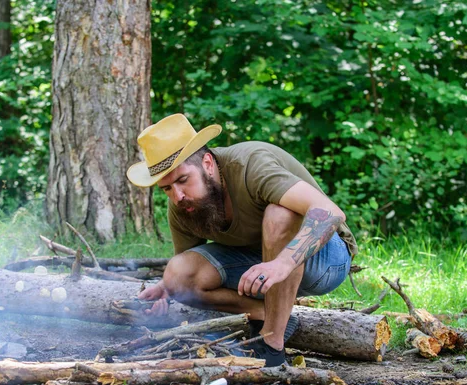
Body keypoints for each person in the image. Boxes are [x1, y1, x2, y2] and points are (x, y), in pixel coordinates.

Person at [127, 113, 358, 366]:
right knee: (177, 275)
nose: (178, 196)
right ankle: (268, 313)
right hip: (260, 266)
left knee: (280, 213)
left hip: (324, 260)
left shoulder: (250, 165)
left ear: (207, 163)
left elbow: (330, 212)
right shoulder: (183, 204)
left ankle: (271, 344)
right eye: (167, 188)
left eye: (183, 180)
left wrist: (282, 262)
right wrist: (166, 290)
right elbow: (185, 267)